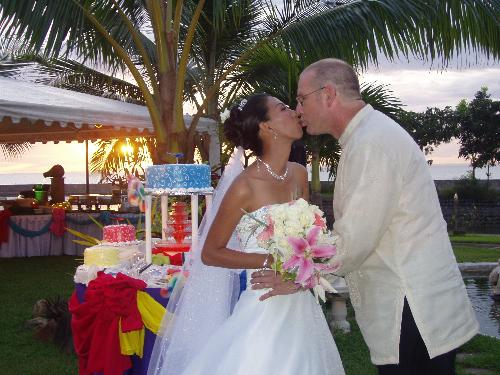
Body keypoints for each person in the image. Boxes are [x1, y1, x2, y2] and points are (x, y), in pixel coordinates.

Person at [252, 58, 479, 374]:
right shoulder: (365, 137)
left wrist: (296, 275)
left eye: (301, 99)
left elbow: (353, 241)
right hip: (412, 305)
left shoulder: (371, 143)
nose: (298, 109)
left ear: (328, 95)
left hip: (412, 310)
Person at [148, 93, 345, 375]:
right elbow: (211, 251)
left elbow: (310, 240)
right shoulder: (245, 186)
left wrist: (303, 271)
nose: (294, 111)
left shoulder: (299, 174)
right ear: (267, 127)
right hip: (264, 303)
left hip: (300, 300)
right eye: (283, 108)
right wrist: (269, 261)